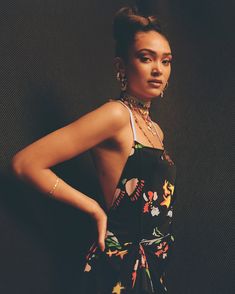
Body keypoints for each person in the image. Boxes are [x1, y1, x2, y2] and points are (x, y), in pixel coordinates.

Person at [11, 5, 176, 294]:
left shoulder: (155, 130)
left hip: (152, 267)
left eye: (166, 61)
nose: (157, 70)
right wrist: (94, 209)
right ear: (121, 67)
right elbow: (26, 163)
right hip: (119, 268)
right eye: (145, 58)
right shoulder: (115, 116)